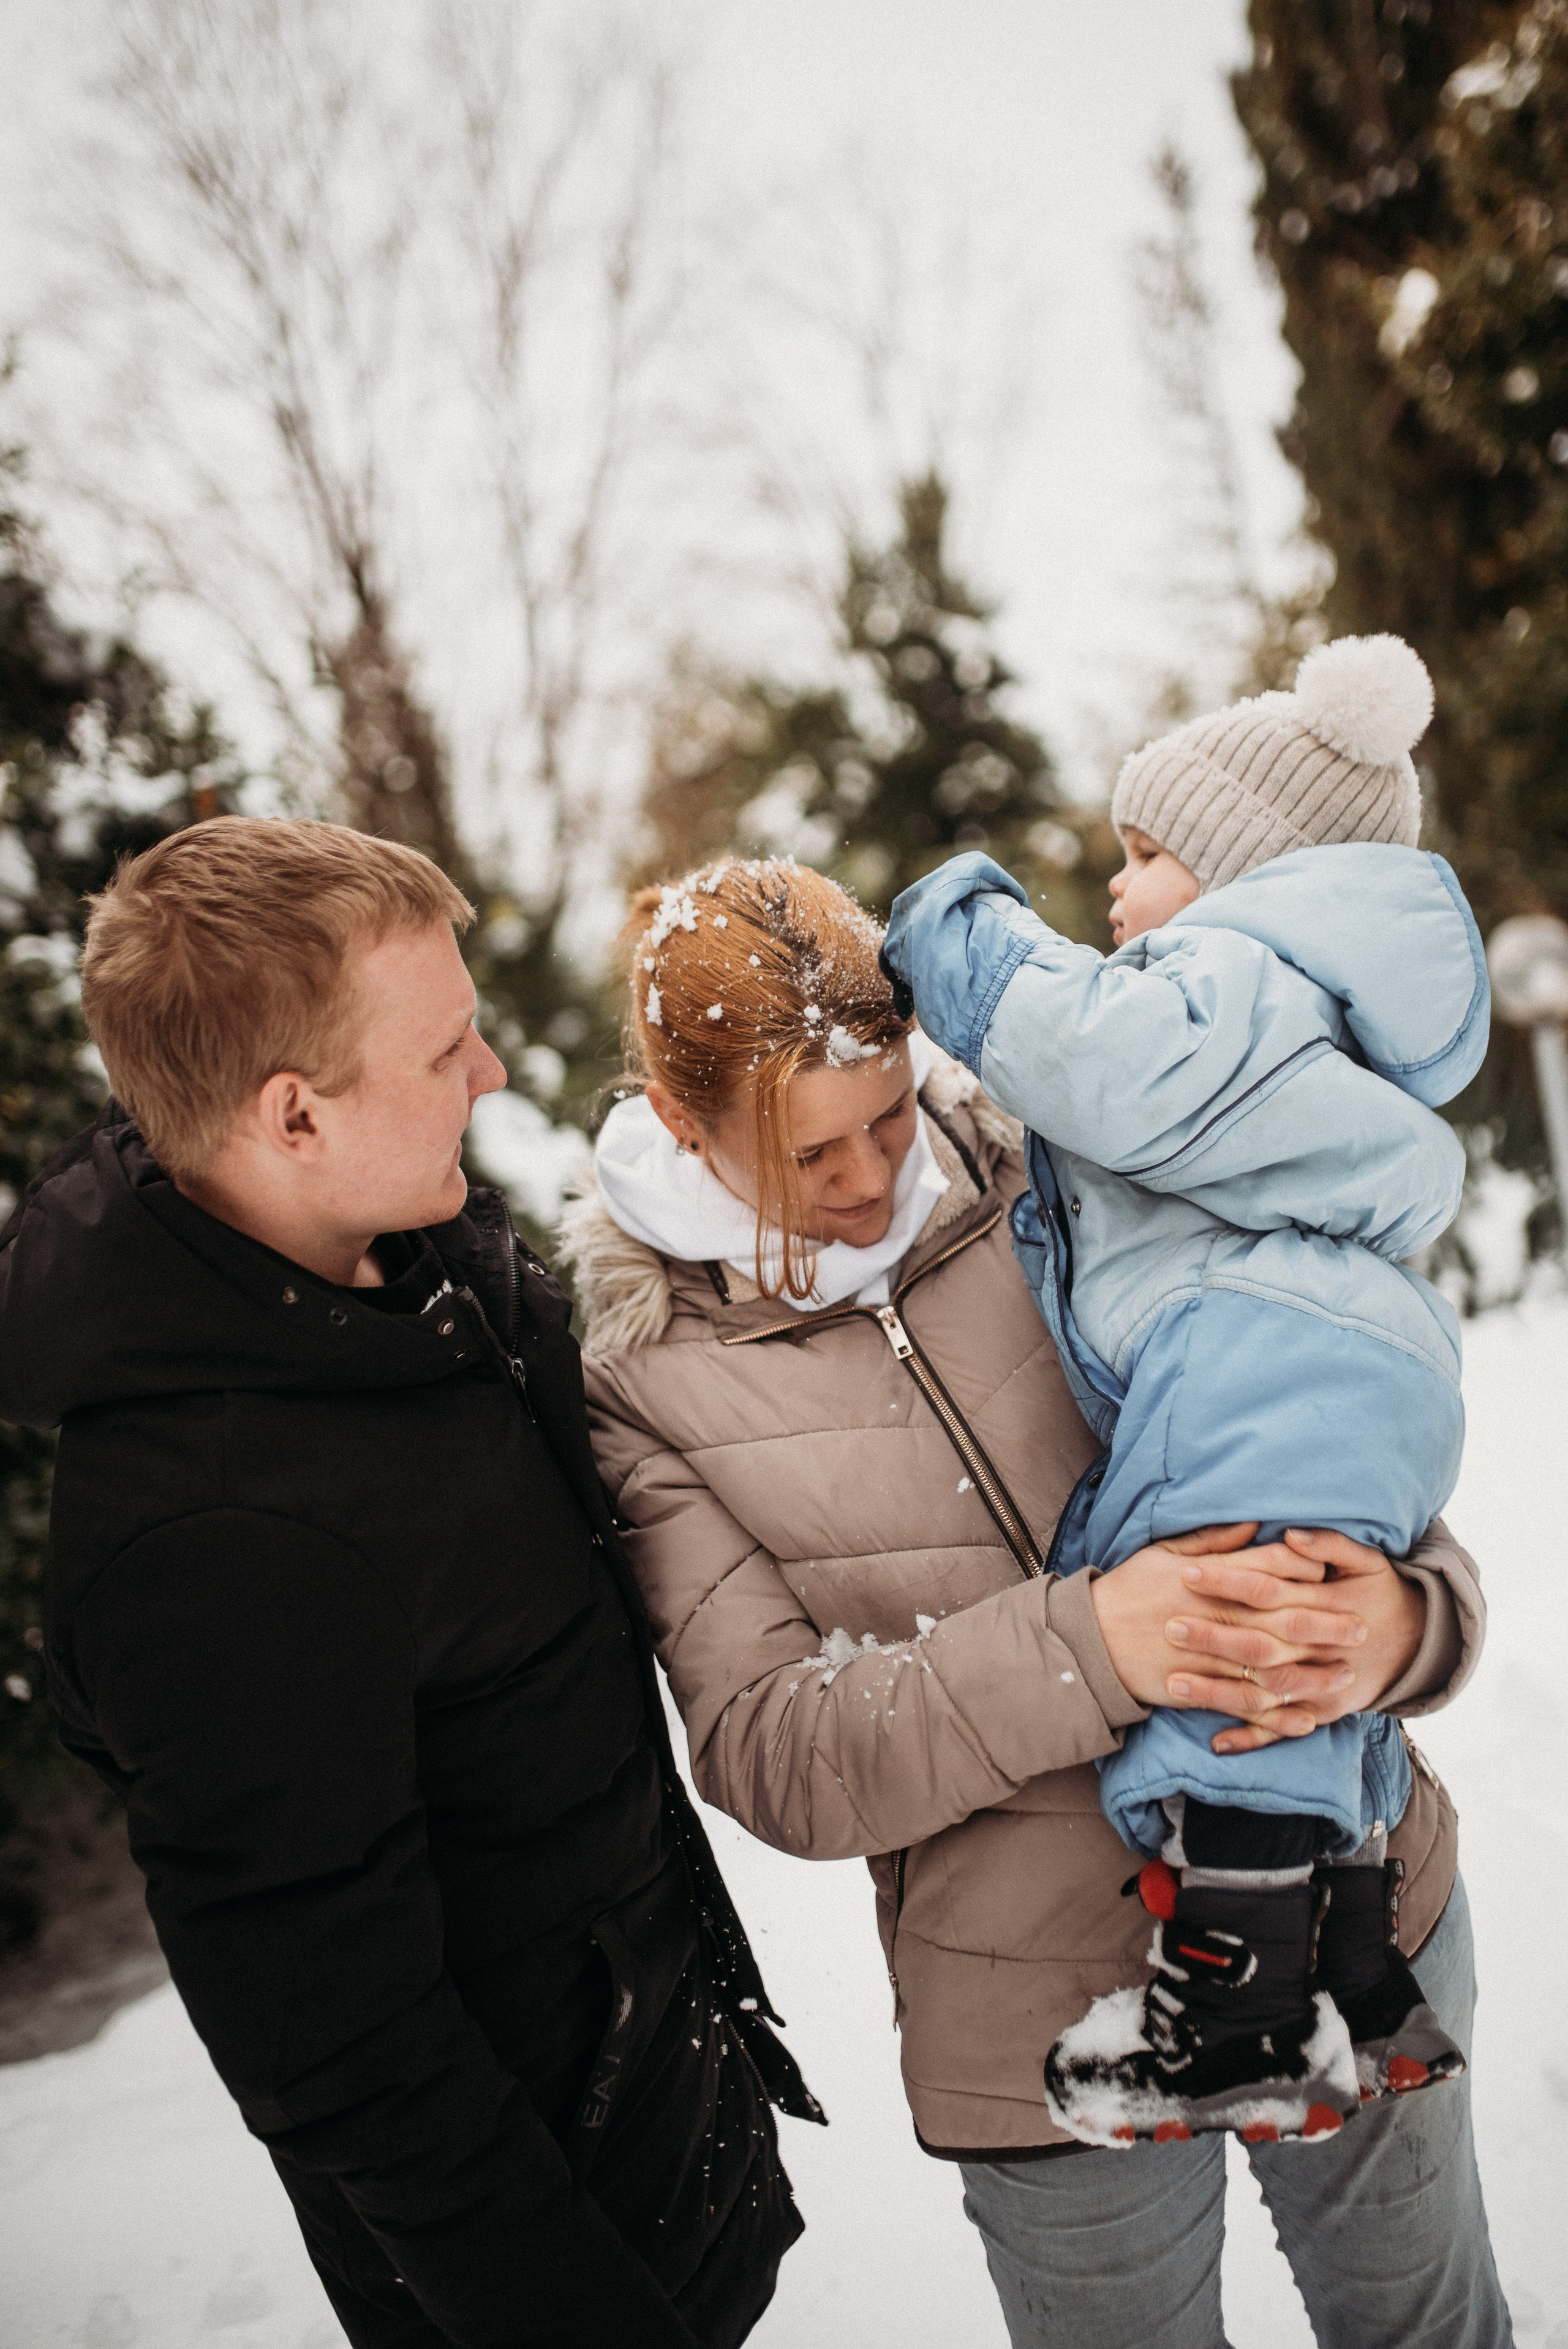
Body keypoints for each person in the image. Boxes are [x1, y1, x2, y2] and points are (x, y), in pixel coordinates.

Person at [567, 850, 1510, 2348]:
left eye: (885, 1117)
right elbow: (766, 1746)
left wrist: (1408, 1617)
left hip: (1348, 1891)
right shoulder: (642, 1372)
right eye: (810, 1158)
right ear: (683, 1125)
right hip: (1031, 2034)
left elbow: (1327, 1400)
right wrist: (1096, 1642)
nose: (870, 1177)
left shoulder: (1066, 1146)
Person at [0, 818, 818, 2349]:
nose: (494, 1073)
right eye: (447, 1046)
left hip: (656, 2100)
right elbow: (339, 2047)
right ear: (292, 1115)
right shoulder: (212, 1539)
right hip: (550, 2260)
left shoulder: (414, 1261)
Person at [881, 633, 1485, 2146]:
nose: (1118, 888)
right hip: (1356, 1354)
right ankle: (1356, 1975)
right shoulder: (1322, 1019)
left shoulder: (1230, 973)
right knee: (1297, 1631)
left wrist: (956, 925)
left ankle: (1231, 2019)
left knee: (1227, 1639)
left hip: (1254, 1342)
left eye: (1146, 855)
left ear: (1257, 873)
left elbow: (1095, 1060)